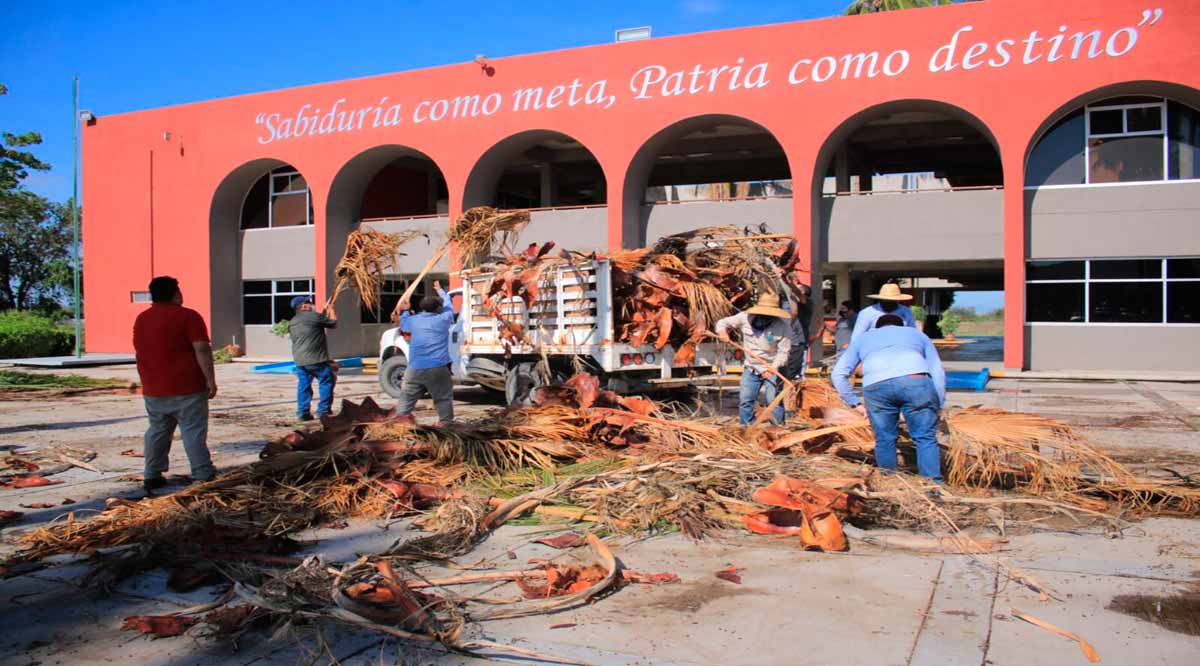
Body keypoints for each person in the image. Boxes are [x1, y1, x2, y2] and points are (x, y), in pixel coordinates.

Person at [832, 314, 946, 482]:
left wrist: (854, 403)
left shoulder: (864, 338)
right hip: (915, 381)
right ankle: (933, 486)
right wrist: (939, 403)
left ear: (877, 328)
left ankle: (889, 482)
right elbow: (937, 370)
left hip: (876, 386)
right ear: (903, 325)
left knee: (884, 439)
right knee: (925, 437)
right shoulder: (917, 335)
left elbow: (838, 374)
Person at [132, 276, 217, 492]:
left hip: (153, 388)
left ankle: (152, 473)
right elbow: (202, 349)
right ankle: (202, 472)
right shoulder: (188, 316)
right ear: (176, 293)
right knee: (192, 430)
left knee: (158, 430)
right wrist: (210, 379)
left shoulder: (142, 319)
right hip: (187, 386)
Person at [716, 292, 793, 425]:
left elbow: (783, 353)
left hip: (772, 367)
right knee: (746, 400)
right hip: (751, 367)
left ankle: (777, 430)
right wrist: (722, 332)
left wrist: (773, 369)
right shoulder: (744, 317)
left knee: (773, 400)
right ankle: (746, 429)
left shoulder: (783, 327)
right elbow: (722, 323)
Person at [395, 280, 456, 425]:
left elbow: (403, 322)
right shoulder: (443, 319)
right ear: (437, 309)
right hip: (437, 368)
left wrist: (404, 310)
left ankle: (400, 424)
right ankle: (445, 425)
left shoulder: (412, 321)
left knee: (406, 398)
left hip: (415, 368)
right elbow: (449, 306)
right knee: (443, 398)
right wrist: (441, 291)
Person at [289, 296, 338, 421]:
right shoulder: (314, 316)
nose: (311, 304)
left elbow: (312, 330)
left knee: (304, 385)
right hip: (316, 359)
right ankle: (323, 411)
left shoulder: (293, 321)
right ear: (303, 306)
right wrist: (331, 309)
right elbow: (333, 323)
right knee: (327, 381)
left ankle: (303, 413)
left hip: (300, 360)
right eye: (308, 303)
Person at [850, 282, 917, 341]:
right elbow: (856, 338)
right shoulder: (867, 313)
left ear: (898, 300)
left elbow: (912, 333)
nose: (889, 302)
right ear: (880, 300)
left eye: (892, 301)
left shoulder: (906, 312)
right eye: (886, 300)